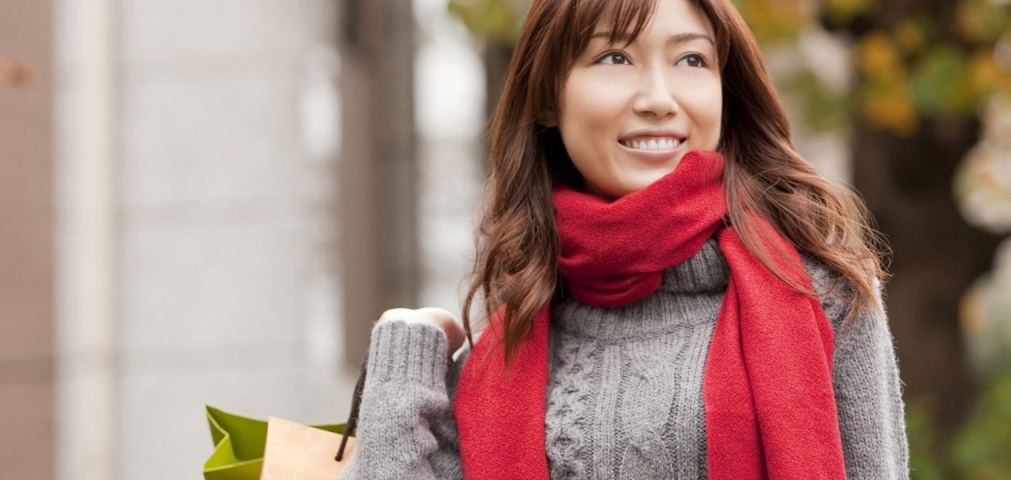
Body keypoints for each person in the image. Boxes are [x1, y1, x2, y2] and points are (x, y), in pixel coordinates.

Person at [339, 0, 909, 478]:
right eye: (615, 57)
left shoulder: (821, 298)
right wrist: (404, 349)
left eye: (691, 58)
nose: (660, 98)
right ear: (546, 98)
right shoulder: (506, 346)